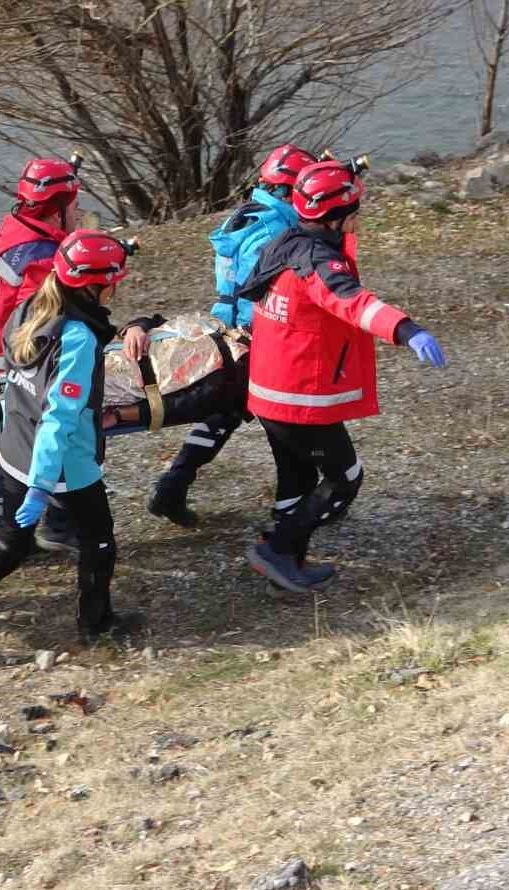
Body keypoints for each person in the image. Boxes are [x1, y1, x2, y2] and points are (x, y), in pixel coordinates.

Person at [0, 229, 148, 667]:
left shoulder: (29, 309)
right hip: (62, 467)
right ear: (95, 286)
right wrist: (43, 485)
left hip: (13, 453)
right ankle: (96, 625)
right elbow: (59, 418)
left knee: (7, 544)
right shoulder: (77, 338)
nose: (118, 286)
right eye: (115, 280)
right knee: (99, 541)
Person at [237, 159, 448, 593]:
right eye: (355, 211)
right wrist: (407, 330)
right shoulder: (318, 261)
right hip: (301, 396)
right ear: (336, 217)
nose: (359, 218)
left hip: (270, 389)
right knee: (344, 479)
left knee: (297, 478)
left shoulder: (287, 241)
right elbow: (352, 301)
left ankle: (286, 562)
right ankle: (276, 549)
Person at [146, 144, 323, 528]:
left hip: (228, 324)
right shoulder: (277, 229)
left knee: (225, 410)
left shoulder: (246, 217)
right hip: (258, 333)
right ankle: (292, 505)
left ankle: (172, 487)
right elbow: (273, 288)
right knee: (279, 419)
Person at [0, 156, 85, 553]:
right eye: (74, 207)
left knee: (10, 451)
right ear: (55, 213)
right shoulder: (41, 258)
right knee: (56, 436)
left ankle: (11, 532)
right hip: (13, 370)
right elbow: (42, 324)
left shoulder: (14, 228)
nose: (81, 213)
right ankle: (48, 526)